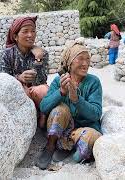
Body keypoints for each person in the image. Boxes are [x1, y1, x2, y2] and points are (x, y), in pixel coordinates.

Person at [36, 42, 103, 170]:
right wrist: (61, 92)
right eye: (81, 59)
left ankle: (73, 156)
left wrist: (77, 100)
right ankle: (50, 147)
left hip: (81, 133)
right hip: (61, 133)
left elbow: (96, 114)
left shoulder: (93, 82)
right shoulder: (59, 81)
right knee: (59, 110)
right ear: (70, 62)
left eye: (88, 59)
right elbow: (44, 107)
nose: (85, 63)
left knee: (93, 137)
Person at [0, 16, 49, 128]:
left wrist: (38, 59)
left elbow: (43, 80)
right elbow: (1, 81)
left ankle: (42, 114)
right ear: (15, 36)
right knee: (22, 93)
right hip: (16, 93)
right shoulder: (7, 54)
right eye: (25, 31)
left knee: (44, 90)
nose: (30, 35)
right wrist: (19, 78)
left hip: (36, 92)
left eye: (33, 31)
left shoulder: (42, 53)